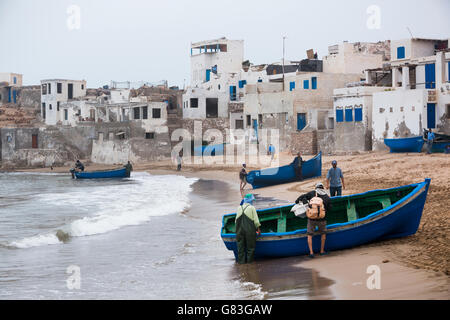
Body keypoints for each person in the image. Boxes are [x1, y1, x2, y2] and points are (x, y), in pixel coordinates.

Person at [295, 182, 331, 257]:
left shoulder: (312, 193)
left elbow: (302, 197)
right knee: (323, 234)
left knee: (309, 235)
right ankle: (322, 251)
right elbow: (330, 208)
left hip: (311, 219)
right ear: (323, 188)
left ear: (316, 188)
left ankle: (311, 253)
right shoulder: (326, 197)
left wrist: (297, 201)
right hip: (322, 219)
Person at [235, 194, 261, 264]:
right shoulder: (252, 208)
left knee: (240, 248)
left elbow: (236, 221)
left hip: (239, 231)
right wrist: (258, 229)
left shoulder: (239, 208)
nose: (253, 201)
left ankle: (241, 264)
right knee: (250, 248)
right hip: (249, 231)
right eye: (252, 200)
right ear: (250, 200)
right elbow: (256, 221)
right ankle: (250, 264)